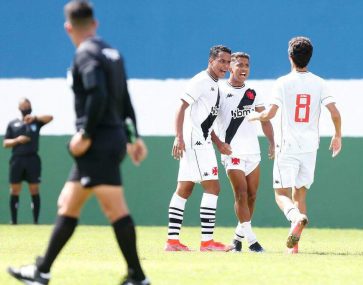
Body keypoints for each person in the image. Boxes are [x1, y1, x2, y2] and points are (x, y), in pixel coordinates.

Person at [7, 1, 151, 284]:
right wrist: (134, 138)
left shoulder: (84, 54)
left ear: (68, 27)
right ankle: (41, 271)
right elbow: (124, 99)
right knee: (68, 204)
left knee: (115, 209)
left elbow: (97, 95)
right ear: (95, 24)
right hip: (112, 139)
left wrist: (84, 134)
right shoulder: (113, 53)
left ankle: (138, 276)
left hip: (97, 143)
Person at [248, 36, 342, 254]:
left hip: (287, 145)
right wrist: (337, 136)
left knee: (280, 194)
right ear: (310, 57)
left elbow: (270, 113)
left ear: (290, 56)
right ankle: (294, 247)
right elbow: (335, 113)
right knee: (300, 194)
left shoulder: (282, 82)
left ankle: (295, 217)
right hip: (310, 147)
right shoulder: (320, 83)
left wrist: (254, 116)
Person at [165, 45, 232, 252]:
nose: (225, 66)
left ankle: (172, 241)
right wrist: (178, 137)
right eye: (221, 61)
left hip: (202, 141)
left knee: (184, 189)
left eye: (228, 62)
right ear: (211, 60)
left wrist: (219, 142)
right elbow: (181, 106)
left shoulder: (215, 85)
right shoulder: (201, 81)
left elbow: (206, 120)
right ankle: (207, 242)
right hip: (195, 142)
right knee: (213, 187)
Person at [211, 52, 275, 252]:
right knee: (241, 193)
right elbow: (207, 122)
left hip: (253, 152)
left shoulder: (253, 92)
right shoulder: (219, 91)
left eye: (247, 65)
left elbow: (264, 118)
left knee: (252, 196)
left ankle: (237, 239)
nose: (244, 69)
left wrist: (272, 142)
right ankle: (252, 241)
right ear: (230, 66)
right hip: (232, 152)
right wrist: (219, 144)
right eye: (239, 64)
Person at [3, 98, 53, 225]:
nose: (26, 109)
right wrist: (17, 140)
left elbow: (50, 117)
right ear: (19, 108)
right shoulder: (13, 124)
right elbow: (5, 143)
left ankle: (35, 221)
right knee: (14, 189)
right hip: (17, 159)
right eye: (24, 107)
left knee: (34, 189)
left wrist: (35, 117)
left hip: (32, 159)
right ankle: (13, 221)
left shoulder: (36, 122)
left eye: (28, 106)